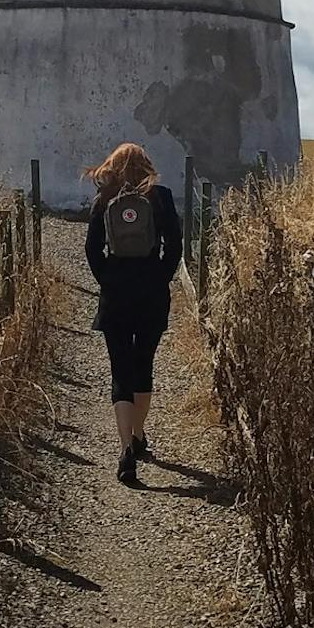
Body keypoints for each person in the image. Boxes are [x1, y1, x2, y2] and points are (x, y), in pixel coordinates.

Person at [84, 142, 183, 486]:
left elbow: (92, 249)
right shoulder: (162, 196)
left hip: (116, 294)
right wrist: (160, 277)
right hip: (151, 292)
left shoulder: (104, 197)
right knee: (144, 364)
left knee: (120, 370)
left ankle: (126, 448)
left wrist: (108, 279)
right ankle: (139, 434)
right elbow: (175, 244)